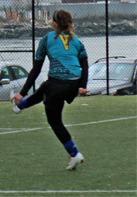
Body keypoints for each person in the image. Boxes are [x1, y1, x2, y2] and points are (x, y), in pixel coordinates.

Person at [11, 10, 89, 170]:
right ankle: (19, 106)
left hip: (57, 84)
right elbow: (84, 65)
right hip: (72, 85)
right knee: (45, 88)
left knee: (54, 120)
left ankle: (74, 154)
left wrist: (22, 92)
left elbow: (36, 69)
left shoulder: (47, 39)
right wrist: (82, 86)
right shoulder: (76, 41)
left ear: (55, 23)